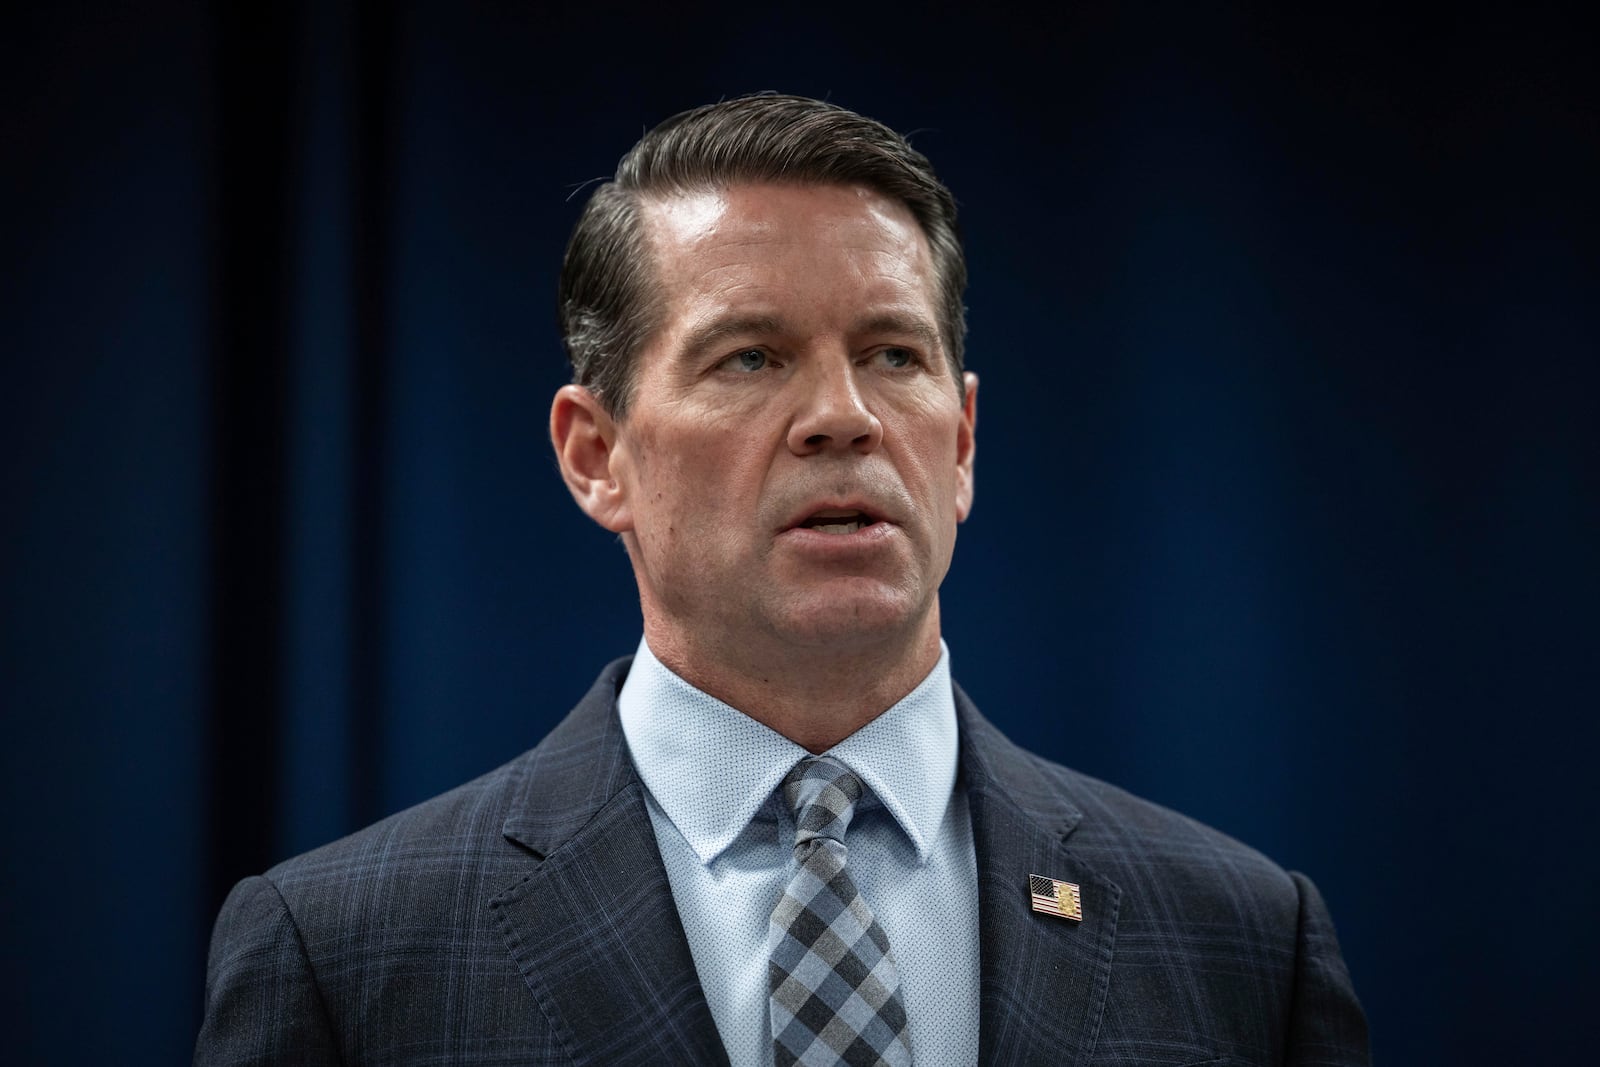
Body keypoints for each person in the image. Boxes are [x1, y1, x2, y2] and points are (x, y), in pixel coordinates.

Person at [196, 94, 1369, 1066]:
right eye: (750, 356)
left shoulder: (1245, 941)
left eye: (892, 355)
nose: (843, 417)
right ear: (594, 455)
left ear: (960, 444)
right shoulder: (341, 959)